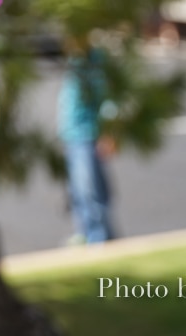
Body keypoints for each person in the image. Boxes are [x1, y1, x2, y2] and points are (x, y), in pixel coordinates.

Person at [57, 43, 117, 244]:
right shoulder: (76, 59)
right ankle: (86, 233)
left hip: (87, 135)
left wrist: (108, 133)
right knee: (78, 191)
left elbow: (107, 101)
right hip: (72, 137)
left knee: (89, 190)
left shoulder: (94, 61)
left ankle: (98, 237)